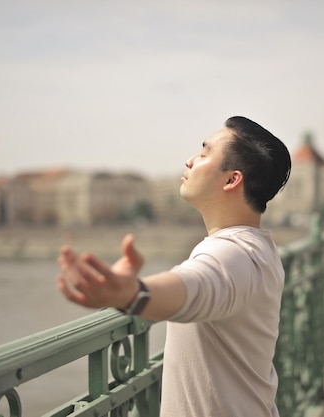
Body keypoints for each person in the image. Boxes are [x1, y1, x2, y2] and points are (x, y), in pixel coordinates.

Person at [56, 116, 291, 416]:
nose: (190, 161)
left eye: (205, 153)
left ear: (232, 179)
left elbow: (197, 286)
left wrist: (132, 295)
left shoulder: (234, 254)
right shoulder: (259, 248)